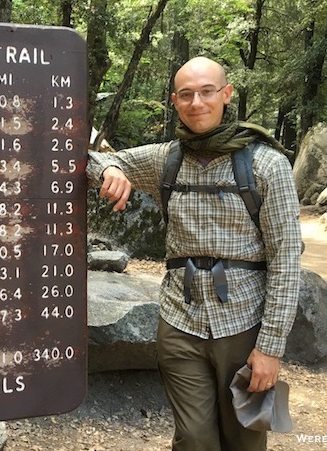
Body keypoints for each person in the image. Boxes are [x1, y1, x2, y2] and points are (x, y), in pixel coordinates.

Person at [87, 56, 301, 450]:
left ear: (226, 94)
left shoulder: (266, 165)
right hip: (179, 319)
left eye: (206, 92)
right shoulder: (166, 159)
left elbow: (287, 261)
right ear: (174, 100)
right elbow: (96, 159)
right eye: (186, 95)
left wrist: (269, 348)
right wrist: (110, 171)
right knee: (194, 439)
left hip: (243, 321)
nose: (197, 103)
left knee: (244, 439)